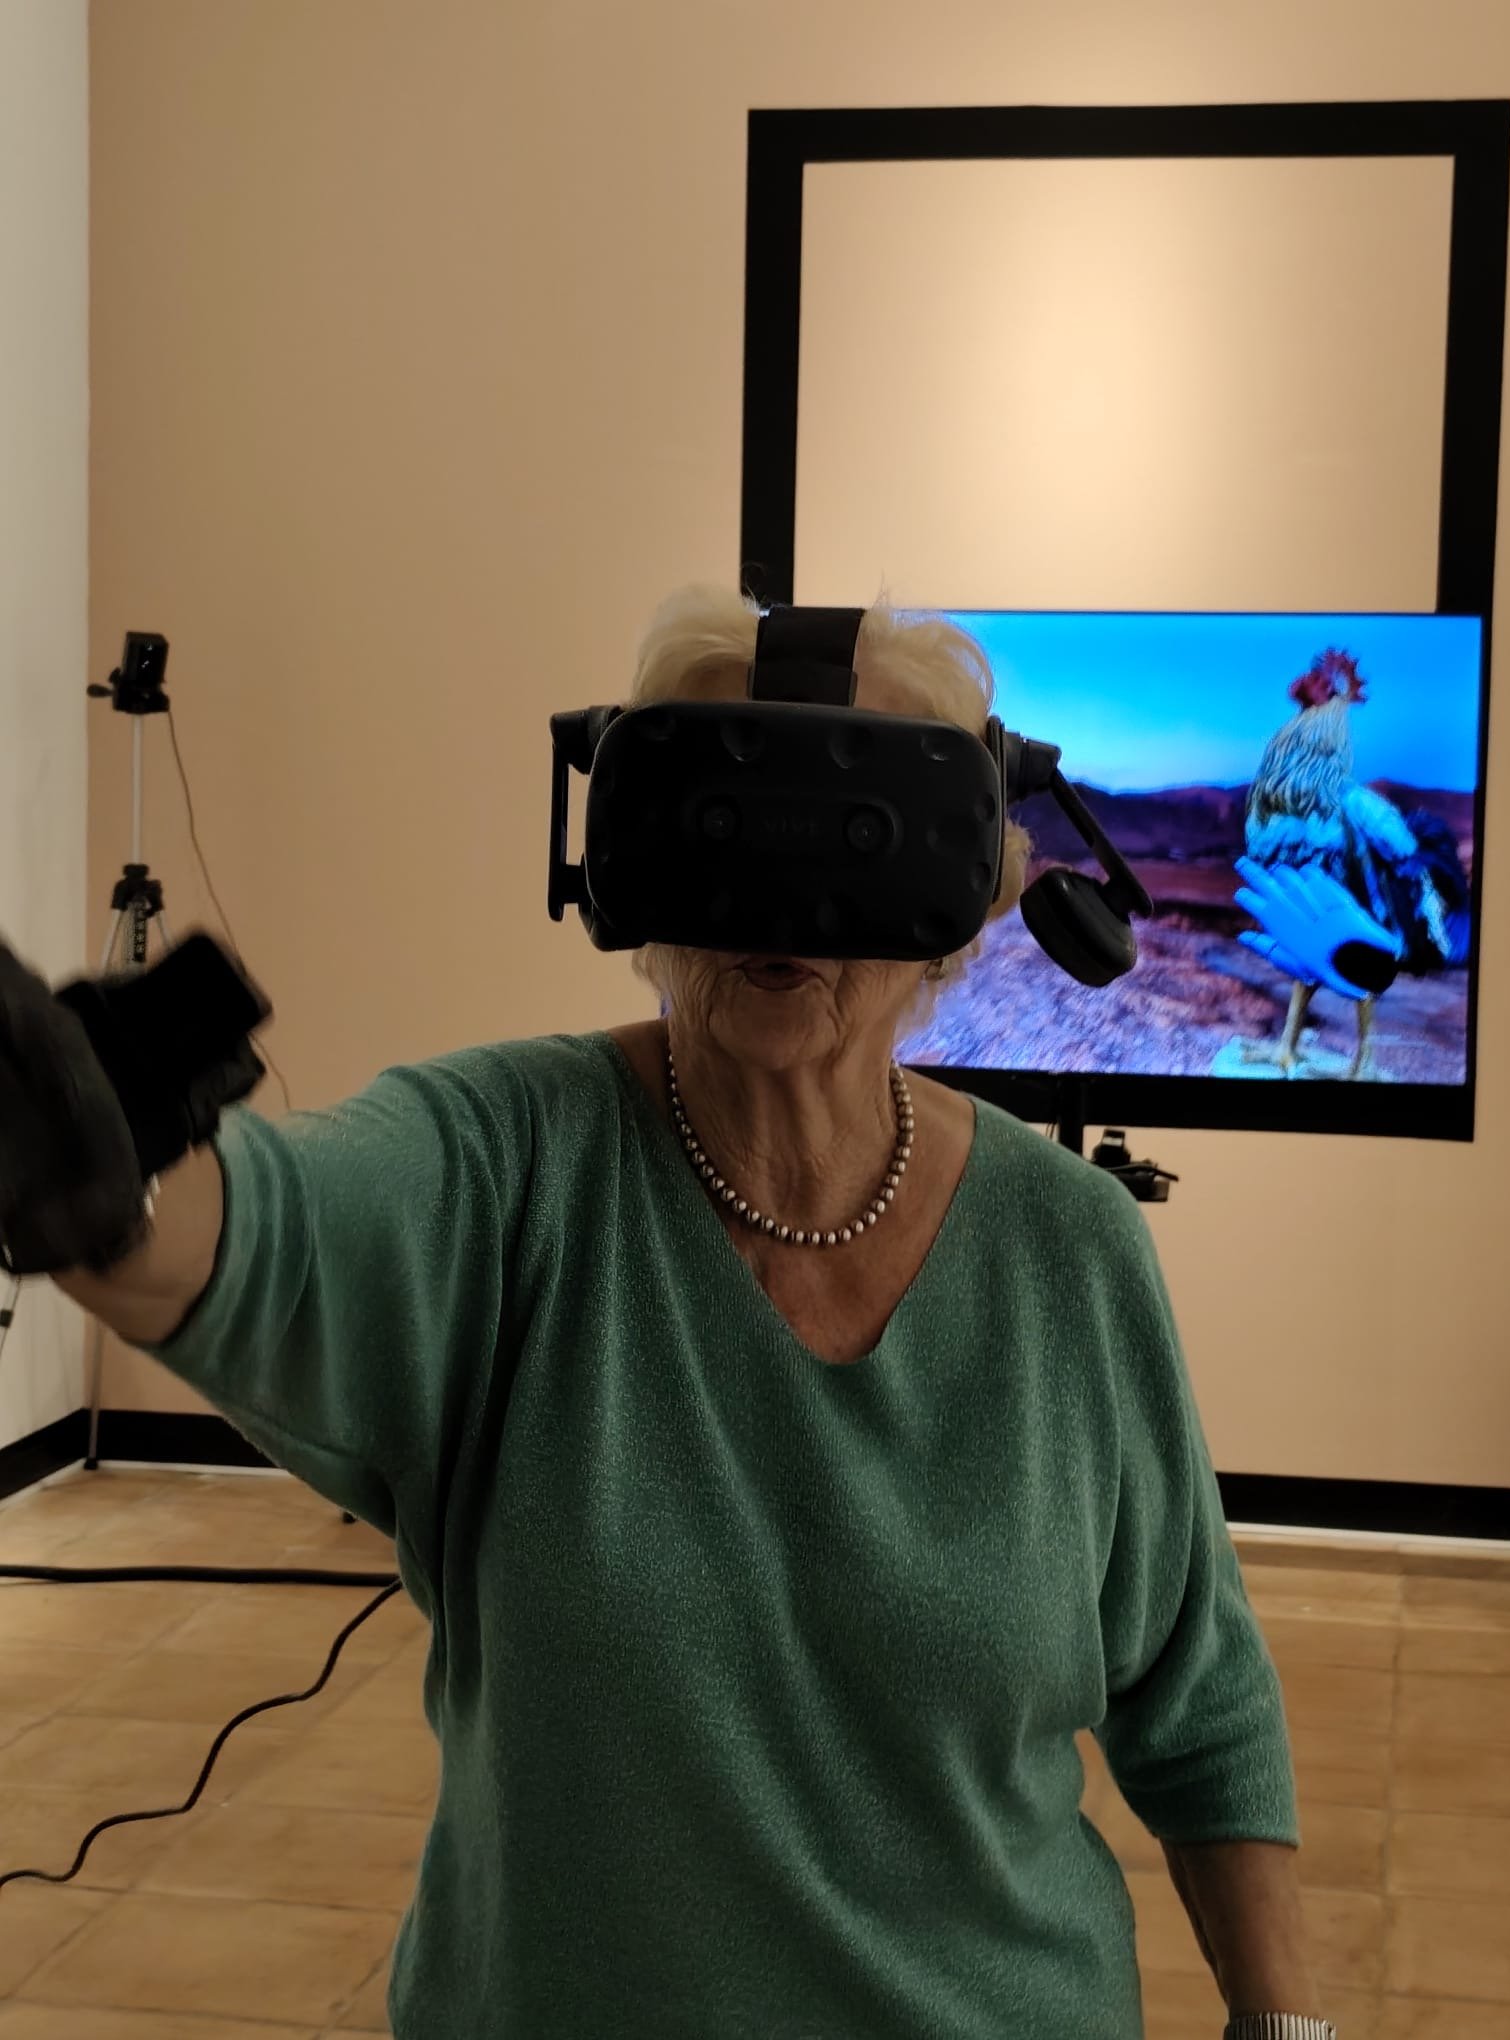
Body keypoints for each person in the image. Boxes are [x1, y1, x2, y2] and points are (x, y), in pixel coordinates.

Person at [47, 588, 1329, 2039]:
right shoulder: (503, 1166)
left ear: (968, 891)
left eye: (856, 836)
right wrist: (97, 1180)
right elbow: (255, 1234)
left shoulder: (1068, 1248)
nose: (783, 903)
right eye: (731, 822)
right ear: (631, 856)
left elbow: (1197, 1697)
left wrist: (1285, 2027)